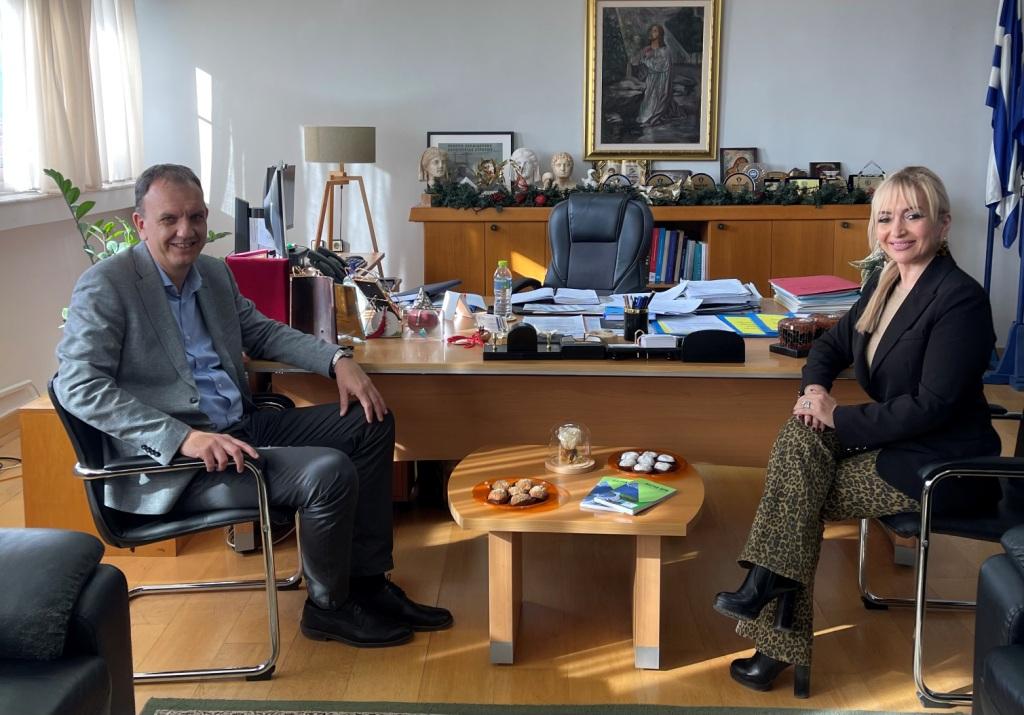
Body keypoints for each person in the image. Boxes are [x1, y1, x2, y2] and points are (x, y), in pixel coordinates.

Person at [55, 164, 453, 649]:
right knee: (327, 472)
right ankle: (328, 608)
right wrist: (183, 438)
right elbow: (78, 385)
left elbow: (262, 332)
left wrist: (336, 360)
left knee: (370, 421)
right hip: (181, 465)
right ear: (141, 224)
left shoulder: (212, 273)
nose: (186, 231)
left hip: (241, 428)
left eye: (196, 216)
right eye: (170, 219)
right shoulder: (107, 285)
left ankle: (366, 585)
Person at [711, 166, 1000, 697]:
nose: (897, 230)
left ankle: (772, 619)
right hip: (895, 442)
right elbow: (829, 345)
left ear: (942, 224)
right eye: (885, 217)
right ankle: (770, 601)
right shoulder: (884, 283)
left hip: (943, 461)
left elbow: (932, 406)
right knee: (800, 444)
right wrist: (813, 392)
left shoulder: (960, 299)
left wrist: (838, 417)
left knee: (798, 491)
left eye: (913, 216)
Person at [635, 23, 677, 127]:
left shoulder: (665, 51)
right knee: (646, 105)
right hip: (650, 80)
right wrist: (642, 59)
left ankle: (653, 118)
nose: (652, 33)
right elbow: (636, 61)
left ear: (660, 34)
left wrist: (646, 60)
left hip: (661, 82)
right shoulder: (647, 49)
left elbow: (660, 66)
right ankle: (648, 118)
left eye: (655, 31)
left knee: (656, 101)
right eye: (651, 30)